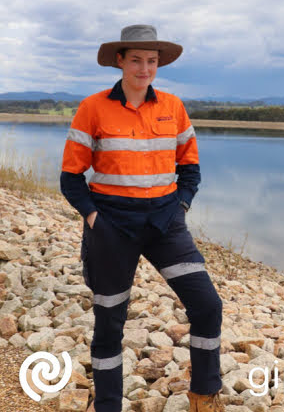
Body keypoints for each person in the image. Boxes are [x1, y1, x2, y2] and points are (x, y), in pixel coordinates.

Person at [60, 25, 225, 412]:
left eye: (151, 61)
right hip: (112, 225)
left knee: (206, 305)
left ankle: (203, 396)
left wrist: (180, 208)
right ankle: (109, 406)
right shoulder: (92, 107)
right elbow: (71, 178)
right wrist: (95, 219)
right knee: (109, 323)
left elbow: (191, 169)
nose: (144, 68)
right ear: (120, 61)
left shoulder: (173, 107)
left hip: (166, 223)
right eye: (136, 59)